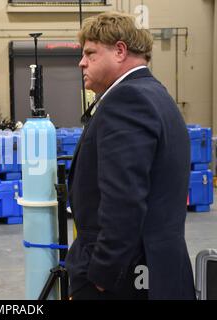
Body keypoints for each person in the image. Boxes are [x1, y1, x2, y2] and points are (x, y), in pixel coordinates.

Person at [66, 12, 196, 300]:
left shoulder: (126, 101)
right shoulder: (156, 94)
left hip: (126, 277)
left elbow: (123, 199)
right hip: (158, 267)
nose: (82, 62)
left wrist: (101, 275)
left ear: (120, 51)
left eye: (90, 53)